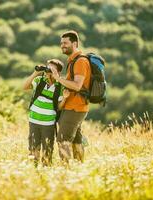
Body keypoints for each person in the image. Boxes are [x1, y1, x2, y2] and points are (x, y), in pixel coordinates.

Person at [50, 30, 91, 163]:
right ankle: (79, 167)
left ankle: (66, 169)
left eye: (65, 43)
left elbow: (77, 86)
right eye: (61, 43)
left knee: (63, 139)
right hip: (73, 106)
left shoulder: (80, 61)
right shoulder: (73, 61)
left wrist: (58, 78)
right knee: (76, 140)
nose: (62, 45)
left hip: (75, 107)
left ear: (75, 43)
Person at [23, 59, 69, 166]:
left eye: (51, 69)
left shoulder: (60, 86)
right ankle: (33, 170)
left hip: (48, 123)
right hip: (33, 120)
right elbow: (24, 87)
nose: (48, 71)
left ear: (58, 72)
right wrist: (35, 73)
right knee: (33, 148)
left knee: (47, 150)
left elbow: (58, 107)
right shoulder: (40, 80)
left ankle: (46, 171)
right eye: (48, 68)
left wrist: (65, 98)